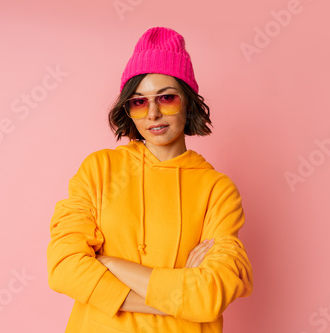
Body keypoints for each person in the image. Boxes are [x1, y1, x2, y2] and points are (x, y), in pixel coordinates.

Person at [47, 26, 253, 332]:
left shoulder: (217, 191)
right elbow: (64, 268)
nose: (153, 114)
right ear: (127, 108)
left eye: (167, 98)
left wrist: (108, 263)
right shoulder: (99, 170)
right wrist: (179, 300)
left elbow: (211, 294)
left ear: (189, 102)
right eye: (139, 102)